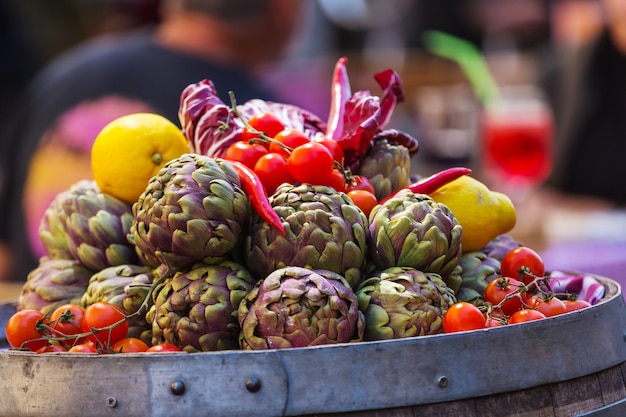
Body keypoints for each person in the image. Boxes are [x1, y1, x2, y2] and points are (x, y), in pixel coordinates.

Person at [0, 0, 304, 282]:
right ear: (282, 8)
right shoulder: (262, 124)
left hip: (37, 328)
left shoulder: (58, 77)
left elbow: (5, 251)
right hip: (148, 332)